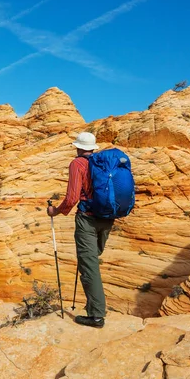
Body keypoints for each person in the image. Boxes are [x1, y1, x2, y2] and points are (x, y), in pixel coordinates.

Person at [46, 132, 113, 328]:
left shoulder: (78, 164)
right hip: (108, 217)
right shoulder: (103, 162)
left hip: (88, 219)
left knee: (89, 266)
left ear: (78, 147)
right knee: (92, 261)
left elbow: (72, 198)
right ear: (93, 147)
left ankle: (97, 316)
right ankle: (96, 306)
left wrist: (56, 211)